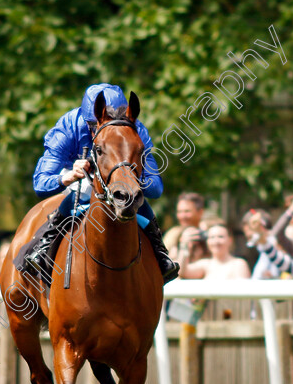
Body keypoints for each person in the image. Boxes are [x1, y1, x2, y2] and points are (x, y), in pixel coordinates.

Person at [24, 83, 179, 283]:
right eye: (93, 124)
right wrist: (69, 175)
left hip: (119, 179)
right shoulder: (68, 127)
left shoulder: (135, 129)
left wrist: (131, 176)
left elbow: (155, 188)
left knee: (138, 198)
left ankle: (160, 253)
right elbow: (40, 183)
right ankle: (45, 246)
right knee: (85, 189)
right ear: (87, 118)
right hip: (77, 176)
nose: (98, 129)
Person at [177, 223, 250, 280]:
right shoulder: (205, 264)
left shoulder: (239, 264)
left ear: (230, 240)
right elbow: (182, 272)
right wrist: (184, 245)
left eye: (220, 237)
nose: (216, 242)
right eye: (212, 237)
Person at [164, 192, 205, 258]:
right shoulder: (172, 234)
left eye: (187, 211)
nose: (182, 216)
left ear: (200, 212)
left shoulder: (210, 234)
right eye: (179, 212)